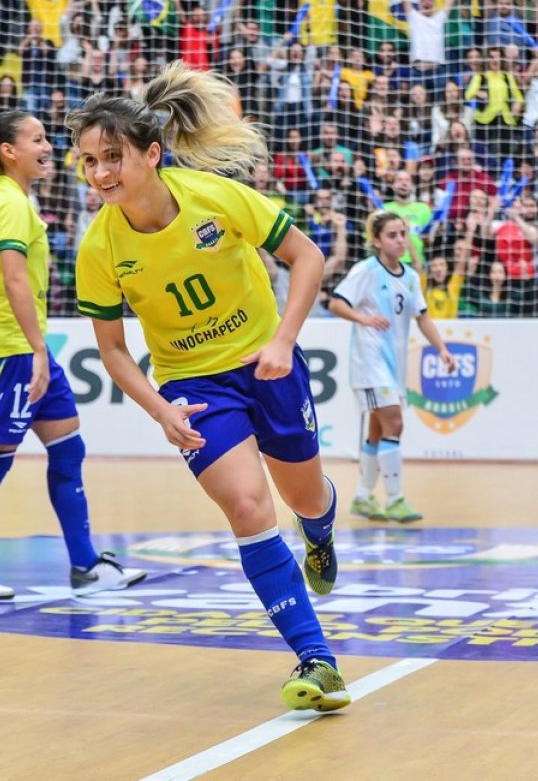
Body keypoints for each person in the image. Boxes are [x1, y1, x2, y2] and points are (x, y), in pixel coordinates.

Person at [69, 62, 350, 713]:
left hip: (265, 364)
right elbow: (112, 350)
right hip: (195, 384)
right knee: (249, 510)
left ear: (152, 153)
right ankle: (318, 660)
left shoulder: (213, 198)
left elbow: (306, 257)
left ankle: (321, 531)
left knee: (304, 497)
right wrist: (161, 406)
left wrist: (281, 340)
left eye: (113, 157)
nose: (101, 173)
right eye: (88, 162)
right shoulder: (99, 248)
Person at [0, 108, 146, 603]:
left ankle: (86, 565)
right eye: (38, 138)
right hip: (12, 353)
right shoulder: (9, 203)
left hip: (17, 349)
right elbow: (10, 280)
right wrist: (31, 351)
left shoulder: (14, 201)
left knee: (68, 449)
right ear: (9, 152)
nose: (48, 146)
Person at [328, 211, 457, 525]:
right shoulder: (366, 271)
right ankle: (396, 499)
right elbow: (335, 303)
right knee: (394, 425)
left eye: (403, 234)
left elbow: (422, 316)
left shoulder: (410, 276)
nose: (400, 240)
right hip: (370, 363)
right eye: (392, 235)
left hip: (393, 364)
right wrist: (363, 318)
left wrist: (441, 348)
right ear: (376, 240)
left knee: (378, 429)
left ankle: (362, 496)